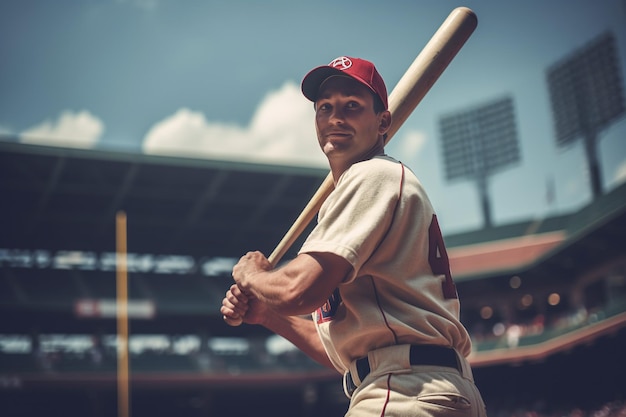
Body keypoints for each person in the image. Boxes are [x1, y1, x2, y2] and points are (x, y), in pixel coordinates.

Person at [221, 56, 487, 417]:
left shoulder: (372, 175)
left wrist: (253, 275)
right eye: (325, 107)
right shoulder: (365, 187)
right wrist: (269, 315)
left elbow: (299, 291)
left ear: (383, 121)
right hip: (420, 387)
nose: (335, 118)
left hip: (405, 391)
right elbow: (344, 352)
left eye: (352, 106)